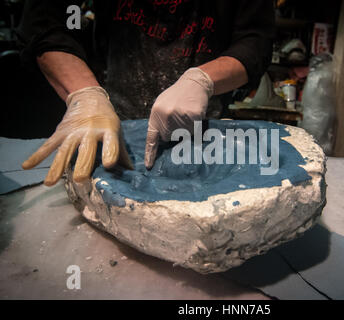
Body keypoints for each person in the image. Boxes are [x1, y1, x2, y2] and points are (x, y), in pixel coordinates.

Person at [17, 0, 275, 186]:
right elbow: (48, 22)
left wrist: (202, 80)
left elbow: (255, 40)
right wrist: (85, 93)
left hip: (202, 130)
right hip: (112, 121)